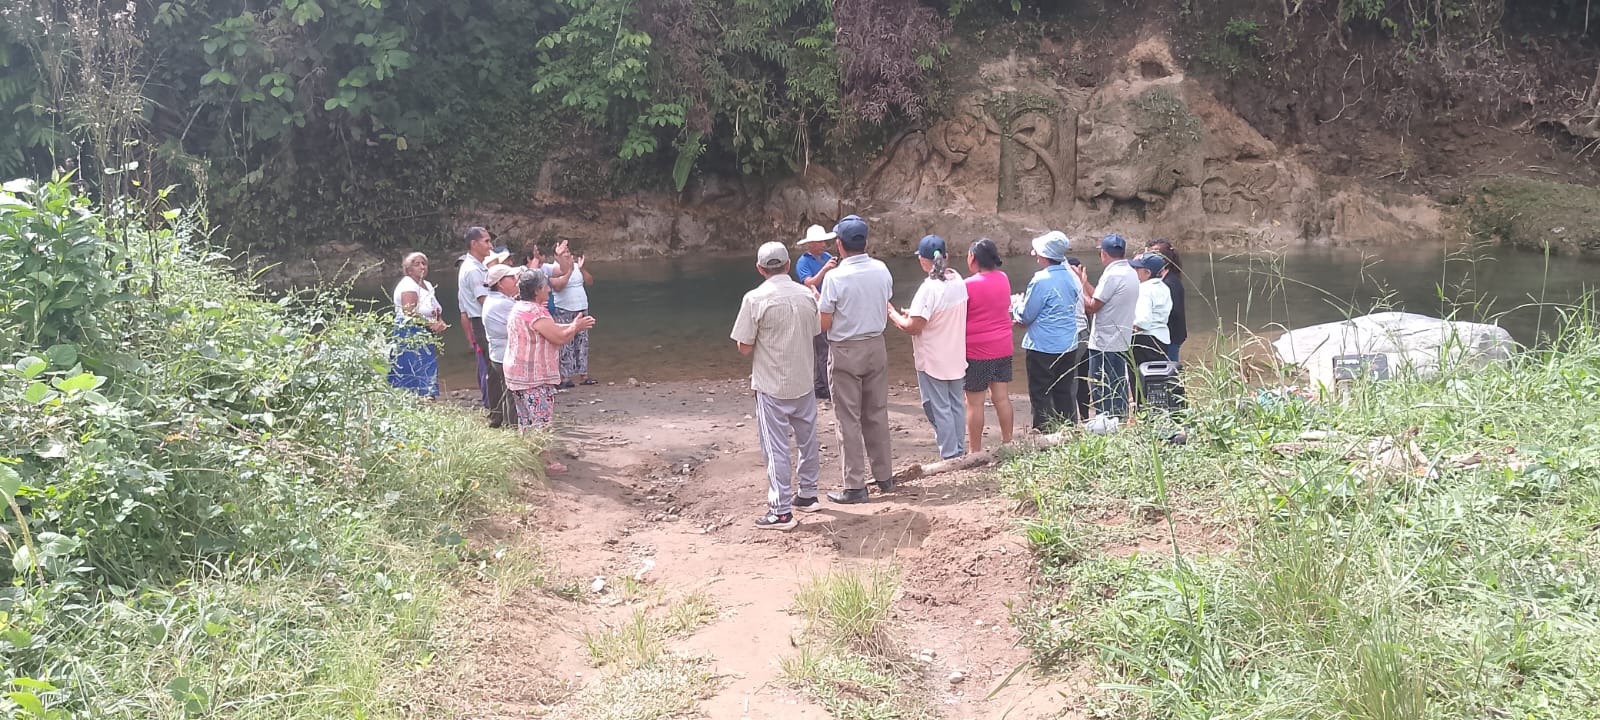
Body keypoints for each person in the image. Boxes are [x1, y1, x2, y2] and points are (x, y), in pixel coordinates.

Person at [731, 242, 824, 530]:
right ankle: (808, 494)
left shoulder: (754, 299)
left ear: (760, 269)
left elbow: (744, 347)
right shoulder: (807, 295)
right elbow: (816, 331)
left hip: (771, 384)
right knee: (808, 441)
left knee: (776, 448)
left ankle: (781, 512)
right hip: (804, 380)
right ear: (788, 265)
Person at [817, 214, 895, 504]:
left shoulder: (834, 277)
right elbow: (884, 300)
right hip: (876, 346)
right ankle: (885, 478)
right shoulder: (882, 269)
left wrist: (817, 303)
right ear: (865, 242)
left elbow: (824, 323)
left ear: (839, 244)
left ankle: (854, 486)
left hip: (846, 350)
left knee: (847, 418)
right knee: (876, 413)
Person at [504, 269, 596, 474]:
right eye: (545, 286)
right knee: (541, 419)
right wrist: (575, 327)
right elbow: (558, 337)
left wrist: (574, 325)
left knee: (526, 419)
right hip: (533, 376)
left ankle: (528, 456)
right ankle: (546, 462)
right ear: (537, 291)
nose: (549, 289)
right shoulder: (536, 312)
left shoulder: (519, 307)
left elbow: (551, 329)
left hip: (517, 373)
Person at [888, 235, 968, 460]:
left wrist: (892, 314)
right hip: (956, 356)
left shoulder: (929, 288)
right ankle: (958, 449)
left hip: (933, 359)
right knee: (956, 405)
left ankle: (950, 455)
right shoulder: (958, 280)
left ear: (922, 260)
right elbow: (936, 314)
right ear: (946, 256)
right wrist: (912, 314)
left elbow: (913, 327)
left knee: (938, 407)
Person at [1013, 231, 1081, 432]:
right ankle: (1068, 430)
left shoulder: (1041, 279)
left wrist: (1016, 304)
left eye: (1038, 252)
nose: (1035, 255)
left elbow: (1027, 315)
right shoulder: (1070, 276)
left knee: (1040, 392)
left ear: (1045, 255)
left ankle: (1044, 432)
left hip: (1043, 345)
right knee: (1064, 391)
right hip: (1068, 344)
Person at [1069, 233, 1139, 420]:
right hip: (1122, 340)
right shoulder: (1130, 272)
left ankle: (1105, 422)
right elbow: (1101, 298)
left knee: (1101, 386)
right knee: (1118, 383)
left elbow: (1092, 306)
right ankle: (1120, 419)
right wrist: (1085, 283)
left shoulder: (1111, 275)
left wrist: (1078, 286)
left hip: (1104, 342)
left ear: (1104, 253)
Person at [962, 237, 1015, 451]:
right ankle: (1008, 442)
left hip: (977, 351)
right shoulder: (1003, 278)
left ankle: (974, 450)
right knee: (1001, 398)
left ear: (972, 257)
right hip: (1003, 346)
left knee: (974, 402)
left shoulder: (968, 285)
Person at [456, 226, 503, 425]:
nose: (490, 246)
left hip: (482, 320)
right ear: (474, 244)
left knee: (493, 367)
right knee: (494, 367)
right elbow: (484, 299)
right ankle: (497, 414)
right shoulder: (473, 269)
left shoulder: (477, 265)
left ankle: (497, 412)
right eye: (486, 241)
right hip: (481, 321)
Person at [388, 252, 447, 396]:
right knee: (414, 367)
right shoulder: (408, 285)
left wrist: (439, 321)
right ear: (408, 269)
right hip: (409, 332)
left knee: (427, 365)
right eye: (417, 264)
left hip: (425, 331)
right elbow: (409, 313)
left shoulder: (427, 284)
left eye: (424, 263)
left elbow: (434, 308)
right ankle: (418, 397)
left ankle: (427, 395)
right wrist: (431, 324)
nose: (422, 267)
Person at [794, 224, 838, 399]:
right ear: (810, 244)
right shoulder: (803, 262)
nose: (824, 245)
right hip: (813, 308)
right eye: (820, 242)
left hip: (828, 305)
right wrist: (825, 269)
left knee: (824, 345)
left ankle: (820, 386)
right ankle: (827, 388)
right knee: (824, 348)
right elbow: (809, 282)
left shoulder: (826, 257)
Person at [549, 242, 596, 387]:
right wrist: (569, 270)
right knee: (565, 342)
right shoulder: (553, 269)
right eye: (564, 252)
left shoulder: (576, 266)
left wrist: (581, 269)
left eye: (568, 251)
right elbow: (557, 286)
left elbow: (590, 281)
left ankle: (584, 375)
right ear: (556, 255)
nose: (567, 254)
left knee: (582, 342)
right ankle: (565, 377)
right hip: (564, 308)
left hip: (581, 308)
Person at [482, 264, 522, 425]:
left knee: (508, 392)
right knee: (513, 395)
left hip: (498, 354)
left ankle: (507, 424)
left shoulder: (495, 299)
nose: (515, 280)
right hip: (505, 354)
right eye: (511, 277)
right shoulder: (502, 303)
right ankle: (513, 428)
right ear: (500, 283)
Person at [1146, 239, 1187, 363]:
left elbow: (1173, 312)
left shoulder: (1171, 283)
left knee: (1169, 368)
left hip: (1171, 336)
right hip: (1168, 335)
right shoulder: (1163, 280)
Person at [1130, 253, 1173, 369]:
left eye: (1137, 269)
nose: (1134, 271)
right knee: (1157, 374)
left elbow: (1142, 322)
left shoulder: (1144, 289)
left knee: (1140, 376)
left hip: (1145, 341)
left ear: (1147, 273)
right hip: (1162, 339)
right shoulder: (1164, 287)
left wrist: (1126, 330)